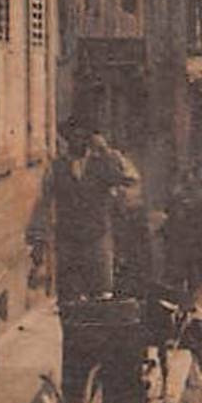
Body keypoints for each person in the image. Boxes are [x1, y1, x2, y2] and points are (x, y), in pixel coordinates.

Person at [30, 119, 139, 303]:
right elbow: (44, 203)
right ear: (67, 139)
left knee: (101, 295)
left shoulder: (104, 163)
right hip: (67, 242)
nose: (78, 141)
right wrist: (39, 238)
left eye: (83, 136)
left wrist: (106, 152)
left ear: (90, 139)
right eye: (73, 137)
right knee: (69, 297)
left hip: (97, 238)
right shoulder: (57, 167)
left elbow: (131, 179)